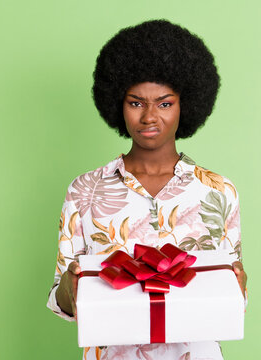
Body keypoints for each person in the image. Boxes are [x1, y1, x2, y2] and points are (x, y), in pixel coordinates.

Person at [47, 19, 248, 360]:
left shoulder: (218, 191)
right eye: (136, 103)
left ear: (186, 105)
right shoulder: (84, 190)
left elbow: (232, 300)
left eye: (165, 103)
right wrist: (72, 284)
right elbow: (61, 302)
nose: (150, 117)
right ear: (117, 104)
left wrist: (238, 287)